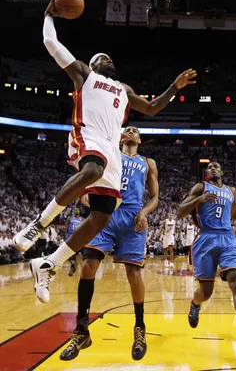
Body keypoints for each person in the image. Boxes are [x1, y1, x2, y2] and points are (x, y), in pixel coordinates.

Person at [12, 0, 196, 303]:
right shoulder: (85, 75)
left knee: (101, 218)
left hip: (111, 152)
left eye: (108, 58)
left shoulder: (124, 90)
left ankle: (49, 264)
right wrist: (48, 14)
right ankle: (37, 225)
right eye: (100, 57)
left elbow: (150, 109)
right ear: (94, 64)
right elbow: (52, 45)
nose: (105, 58)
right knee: (92, 168)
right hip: (88, 137)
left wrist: (173, 89)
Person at [59, 126, 158, 362]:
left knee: (134, 274)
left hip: (133, 216)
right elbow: (90, 174)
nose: (131, 131)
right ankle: (81, 330)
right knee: (86, 267)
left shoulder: (148, 163)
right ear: (122, 136)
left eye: (136, 130)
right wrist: (85, 194)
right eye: (128, 129)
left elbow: (154, 197)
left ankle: (140, 328)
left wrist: (144, 212)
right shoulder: (110, 152)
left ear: (140, 139)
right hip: (105, 211)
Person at [177, 161, 236, 356]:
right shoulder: (201, 187)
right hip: (206, 238)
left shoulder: (231, 191)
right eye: (209, 167)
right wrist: (199, 199)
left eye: (215, 166)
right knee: (205, 293)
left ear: (221, 172)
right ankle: (195, 304)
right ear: (206, 174)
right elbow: (180, 212)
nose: (212, 168)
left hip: (228, 238)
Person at [64, 208, 84, 276]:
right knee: (68, 253)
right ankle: (73, 265)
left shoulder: (82, 219)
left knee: (73, 252)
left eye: (77, 212)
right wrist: (66, 231)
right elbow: (66, 226)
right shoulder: (70, 218)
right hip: (69, 235)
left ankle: (73, 266)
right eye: (75, 212)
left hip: (78, 236)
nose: (76, 213)